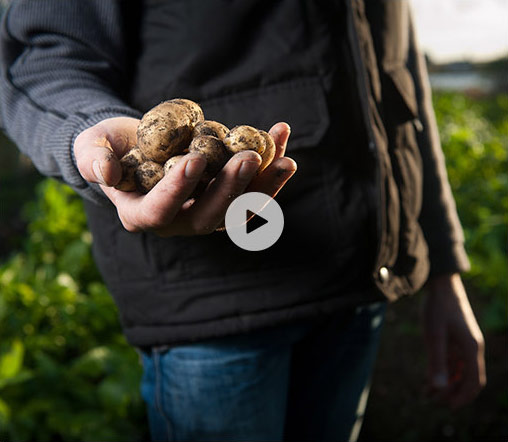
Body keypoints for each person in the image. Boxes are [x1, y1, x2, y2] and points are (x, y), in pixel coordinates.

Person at [0, 1, 486, 441]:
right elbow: (40, 59)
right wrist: (90, 130)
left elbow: (396, 77)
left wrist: (441, 264)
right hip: (214, 306)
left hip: (356, 287)